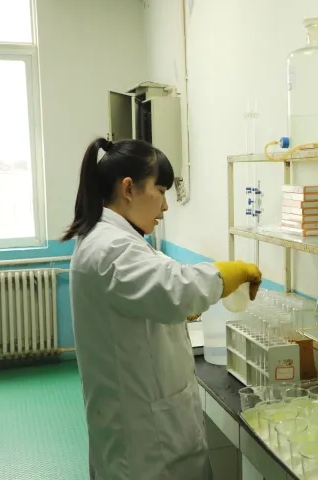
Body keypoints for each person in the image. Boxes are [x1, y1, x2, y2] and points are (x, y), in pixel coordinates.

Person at [61, 137, 262, 480]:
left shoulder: (113, 238)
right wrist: (229, 273)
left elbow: (159, 279)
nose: (165, 206)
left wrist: (189, 302)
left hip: (141, 420)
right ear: (129, 189)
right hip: (144, 444)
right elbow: (177, 290)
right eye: (161, 190)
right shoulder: (110, 247)